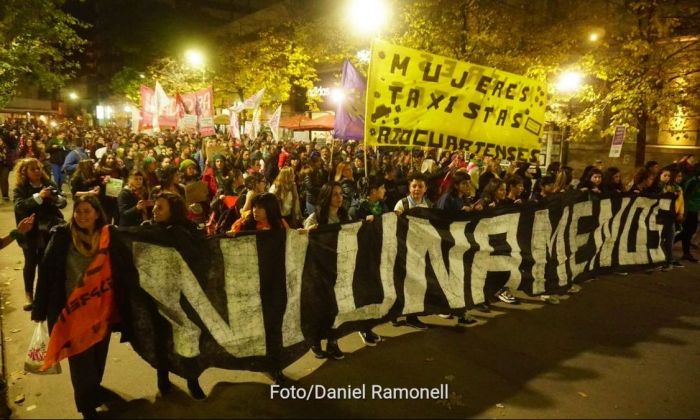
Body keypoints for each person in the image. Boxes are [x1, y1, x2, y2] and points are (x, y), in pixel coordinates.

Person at [31, 195, 126, 419]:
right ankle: (86, 405)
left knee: (97, 355)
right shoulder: (62, 236)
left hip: (102, 309)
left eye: (87, 211)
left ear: (96, 214)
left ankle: (94, 390)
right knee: (80, 359)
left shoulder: (107, 236)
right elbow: (46, 272)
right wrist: (40, 309)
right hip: (72, 310)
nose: (82, 216)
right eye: (79, 211)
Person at [142, 192, 207, 400]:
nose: (154, 210)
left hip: (183, 297)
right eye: (155, 206)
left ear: (173, 211)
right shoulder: (148, 230)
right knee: (161, 338)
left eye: (160, 207)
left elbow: (200, 256)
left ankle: (192, 380)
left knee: (187, 338)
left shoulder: (185, 231)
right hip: (157, 296)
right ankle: (163, 378)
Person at [13, 157, 67, 310]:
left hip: (49, 229)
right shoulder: (20, 188)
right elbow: (20, 207)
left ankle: (43, 294)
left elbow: (63, 203)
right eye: (33, 169)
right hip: (30, 231)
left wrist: (55, 197)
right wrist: (39, 197)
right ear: (25, 172)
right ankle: (29, 295)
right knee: (30, 263)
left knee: (46, 261)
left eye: (38, 168)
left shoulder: (49, 184)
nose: (37, 171)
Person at [303, 183, 350, 359]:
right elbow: (301, 240)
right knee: (321, 308)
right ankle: (315, 342)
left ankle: (332, 342)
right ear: (326, 197)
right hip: (320, 272)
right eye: (335, 195)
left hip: (339, 269)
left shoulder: (344, 215)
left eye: (341, 194)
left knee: (337, 308)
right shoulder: (316, 218)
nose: (340, 198)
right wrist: (309, 232)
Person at [392, 172, 432, 329]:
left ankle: (412, 316)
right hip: (403, 251)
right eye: (414, 186)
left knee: (416, 284)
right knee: (400, 283)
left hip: (420, 251)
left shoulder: (428, 204)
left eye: (420, 186)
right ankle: (395, 313)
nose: (417, 189)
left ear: (425, 188)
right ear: (409, 188)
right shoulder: (401, 204)